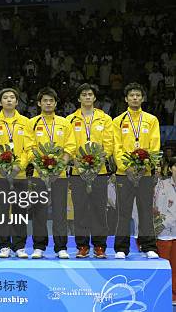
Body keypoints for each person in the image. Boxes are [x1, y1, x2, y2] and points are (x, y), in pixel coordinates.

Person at [27, 87, 76, 259]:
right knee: (39, 211)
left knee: (60, 212)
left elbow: (70, 146)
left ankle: (60, 247)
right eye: (45, 100)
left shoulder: (64, 123)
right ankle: (39, 246)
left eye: (51, 101)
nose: (48, 103)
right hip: (38, 175)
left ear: (55, 103)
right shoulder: (31, 123)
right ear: (39, 103)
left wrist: (58, 167)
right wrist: (40, 167)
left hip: (60, 175)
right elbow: (30, 148)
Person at [113, 83, 160, 259]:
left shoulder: (151, 120)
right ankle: (121, 248)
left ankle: (149, 246)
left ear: (142, 98)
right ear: (126, 99)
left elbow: (155, 146)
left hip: (145, 174)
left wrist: (144, 165)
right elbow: (116, 148)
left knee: (145, 211)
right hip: (124, 174)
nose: (134, 98)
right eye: (131, 95)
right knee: (123, 212)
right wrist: (127, 166)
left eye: (138, 95)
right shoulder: (117, 121)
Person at [65, 83, 113, 258]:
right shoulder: (70, 120)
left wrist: (97, 160)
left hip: (99, 172)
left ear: (94, 98)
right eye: (83, 94)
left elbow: (109, 144)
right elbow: (68, 144)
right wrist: (78, 162)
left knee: (99, 210)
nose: (87, 97)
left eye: (90, 94)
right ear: (79, 98)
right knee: (81, 210)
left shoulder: (105, 119)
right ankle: (82, 246)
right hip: (78, 172)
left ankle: (100, 246)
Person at [0, 88, 32, 258]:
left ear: (17, 102)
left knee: (20, 211)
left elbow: (29, 148)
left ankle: (19, 246)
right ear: (0, 102)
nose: (9, 100)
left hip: (19, 174)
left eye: (12, 97)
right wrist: (0, 165)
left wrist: (20, 166)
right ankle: (3, 245)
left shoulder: (26, 122)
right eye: (5, 98)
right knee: (2, 211)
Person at [153, 157, 176, 304]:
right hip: (164, 235)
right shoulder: (162, 184)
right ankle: (162, 293)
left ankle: (174, 293)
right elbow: (156, 207)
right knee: (164, 266)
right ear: (171, 169)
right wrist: (159, 224)